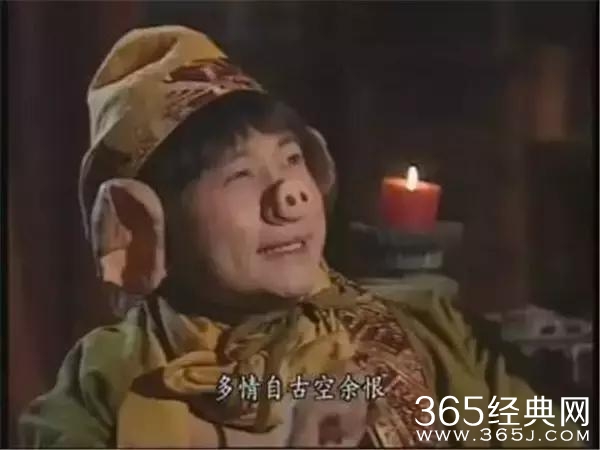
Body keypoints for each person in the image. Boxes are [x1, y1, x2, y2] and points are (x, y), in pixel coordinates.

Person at [19, 25, 583, 448]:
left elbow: (544, 432)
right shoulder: (105, 384)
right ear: (150, 223)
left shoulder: (424, 328)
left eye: (291, 160)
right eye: (240, 175)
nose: (289, 194)